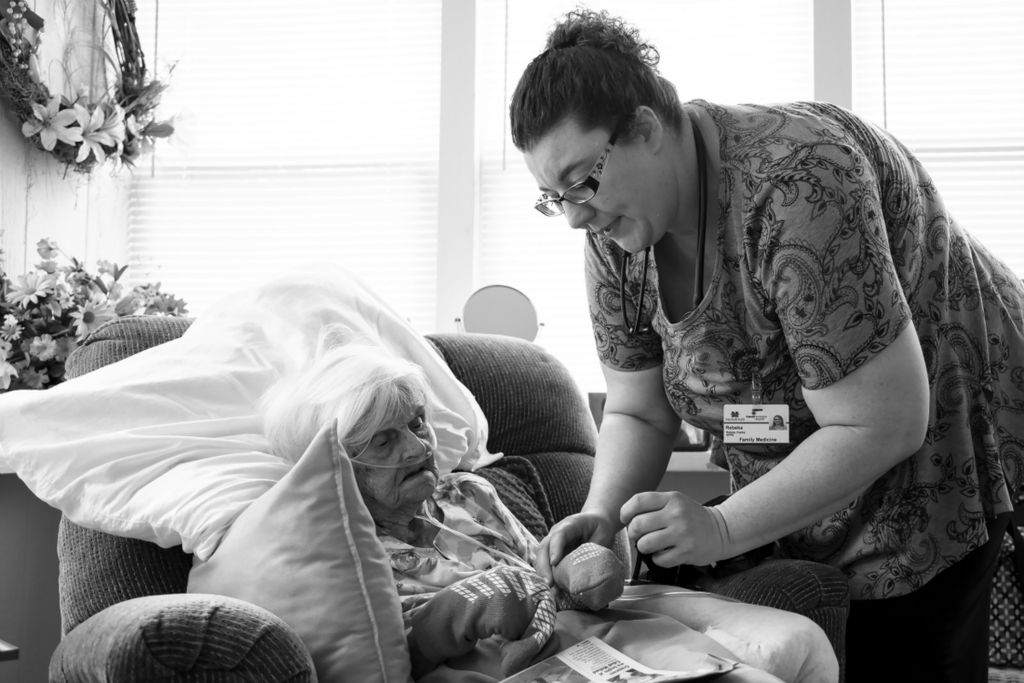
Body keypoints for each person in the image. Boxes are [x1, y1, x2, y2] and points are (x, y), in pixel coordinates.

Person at [508, 8, 1024, 683]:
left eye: (581, 180)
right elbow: (639, 408)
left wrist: (720, 529)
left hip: (937, 435)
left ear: (645, 128)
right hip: (822, 442)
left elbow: (886, 419)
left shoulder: (800, 184)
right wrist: (600, 513)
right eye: (552, 196)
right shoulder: (616, 230)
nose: (574, 213)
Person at [258, 330, 837, 683]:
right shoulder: (340, 549)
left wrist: (583, 567)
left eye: (416, 423)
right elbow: (387, 655)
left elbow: (546, 577)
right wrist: (455, 612)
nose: (418, 446)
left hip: (578, 641)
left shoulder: (471, 491)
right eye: (384, 440)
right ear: (336, 464)